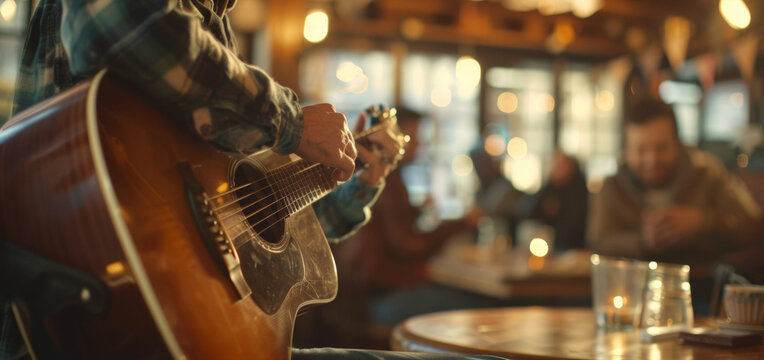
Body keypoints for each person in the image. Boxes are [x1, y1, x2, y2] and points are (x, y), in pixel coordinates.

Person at [0, 1, 505, 360]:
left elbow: (266, 228)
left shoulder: (217, 32)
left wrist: (359, 178)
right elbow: (115, 23)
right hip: (72, 332)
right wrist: (292, 122)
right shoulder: (197, 40)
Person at [588, 97, 763, 267]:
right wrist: (642, 241)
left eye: (661, 147)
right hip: (632, 288)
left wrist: (702, 222)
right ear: (626, 150)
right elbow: (599, 241)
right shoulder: (613, 186)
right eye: (641, 150)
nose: (652, 160)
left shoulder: (708, 175)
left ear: (678, 143)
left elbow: (753, 229)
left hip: (703, 286)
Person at [515, 148, 588, 252]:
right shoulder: (550, 189)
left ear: (571, 166)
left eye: (560, 164)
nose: (555, 167)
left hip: (569, 249)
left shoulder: (579, 192)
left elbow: (571, 228)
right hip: (544, 246)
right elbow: (530, 214)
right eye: (554, 163)